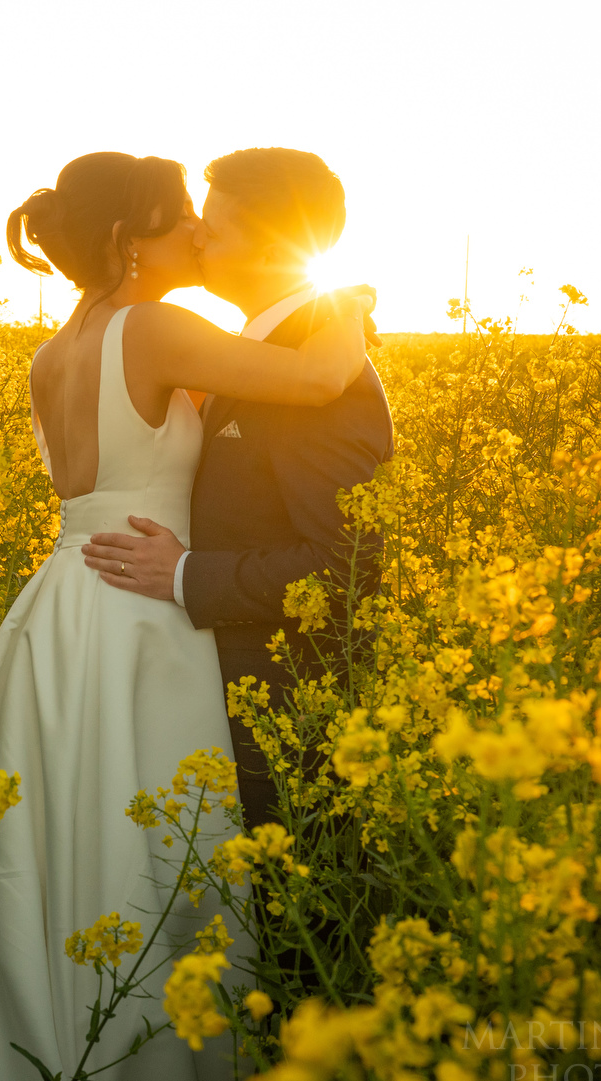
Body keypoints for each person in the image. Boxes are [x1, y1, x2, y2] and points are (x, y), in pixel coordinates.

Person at [0, 151, 373, 1081]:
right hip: (144, 609)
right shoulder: (154, 327)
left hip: (61, 604)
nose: (194, 234)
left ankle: (26, 1070)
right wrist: (353, 294)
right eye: (176, 221)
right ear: (126, 243)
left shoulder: (53, 349)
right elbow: (320, 371)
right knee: (141, 844)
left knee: (48, 841)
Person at [82, 147, 395, 835]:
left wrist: (188, 574)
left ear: (269, 247)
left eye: (213, 227)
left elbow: (345, 561)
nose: (195, 235)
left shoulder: (320, 366)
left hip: (286, 703)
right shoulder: (265, 354)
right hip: (216, 685)